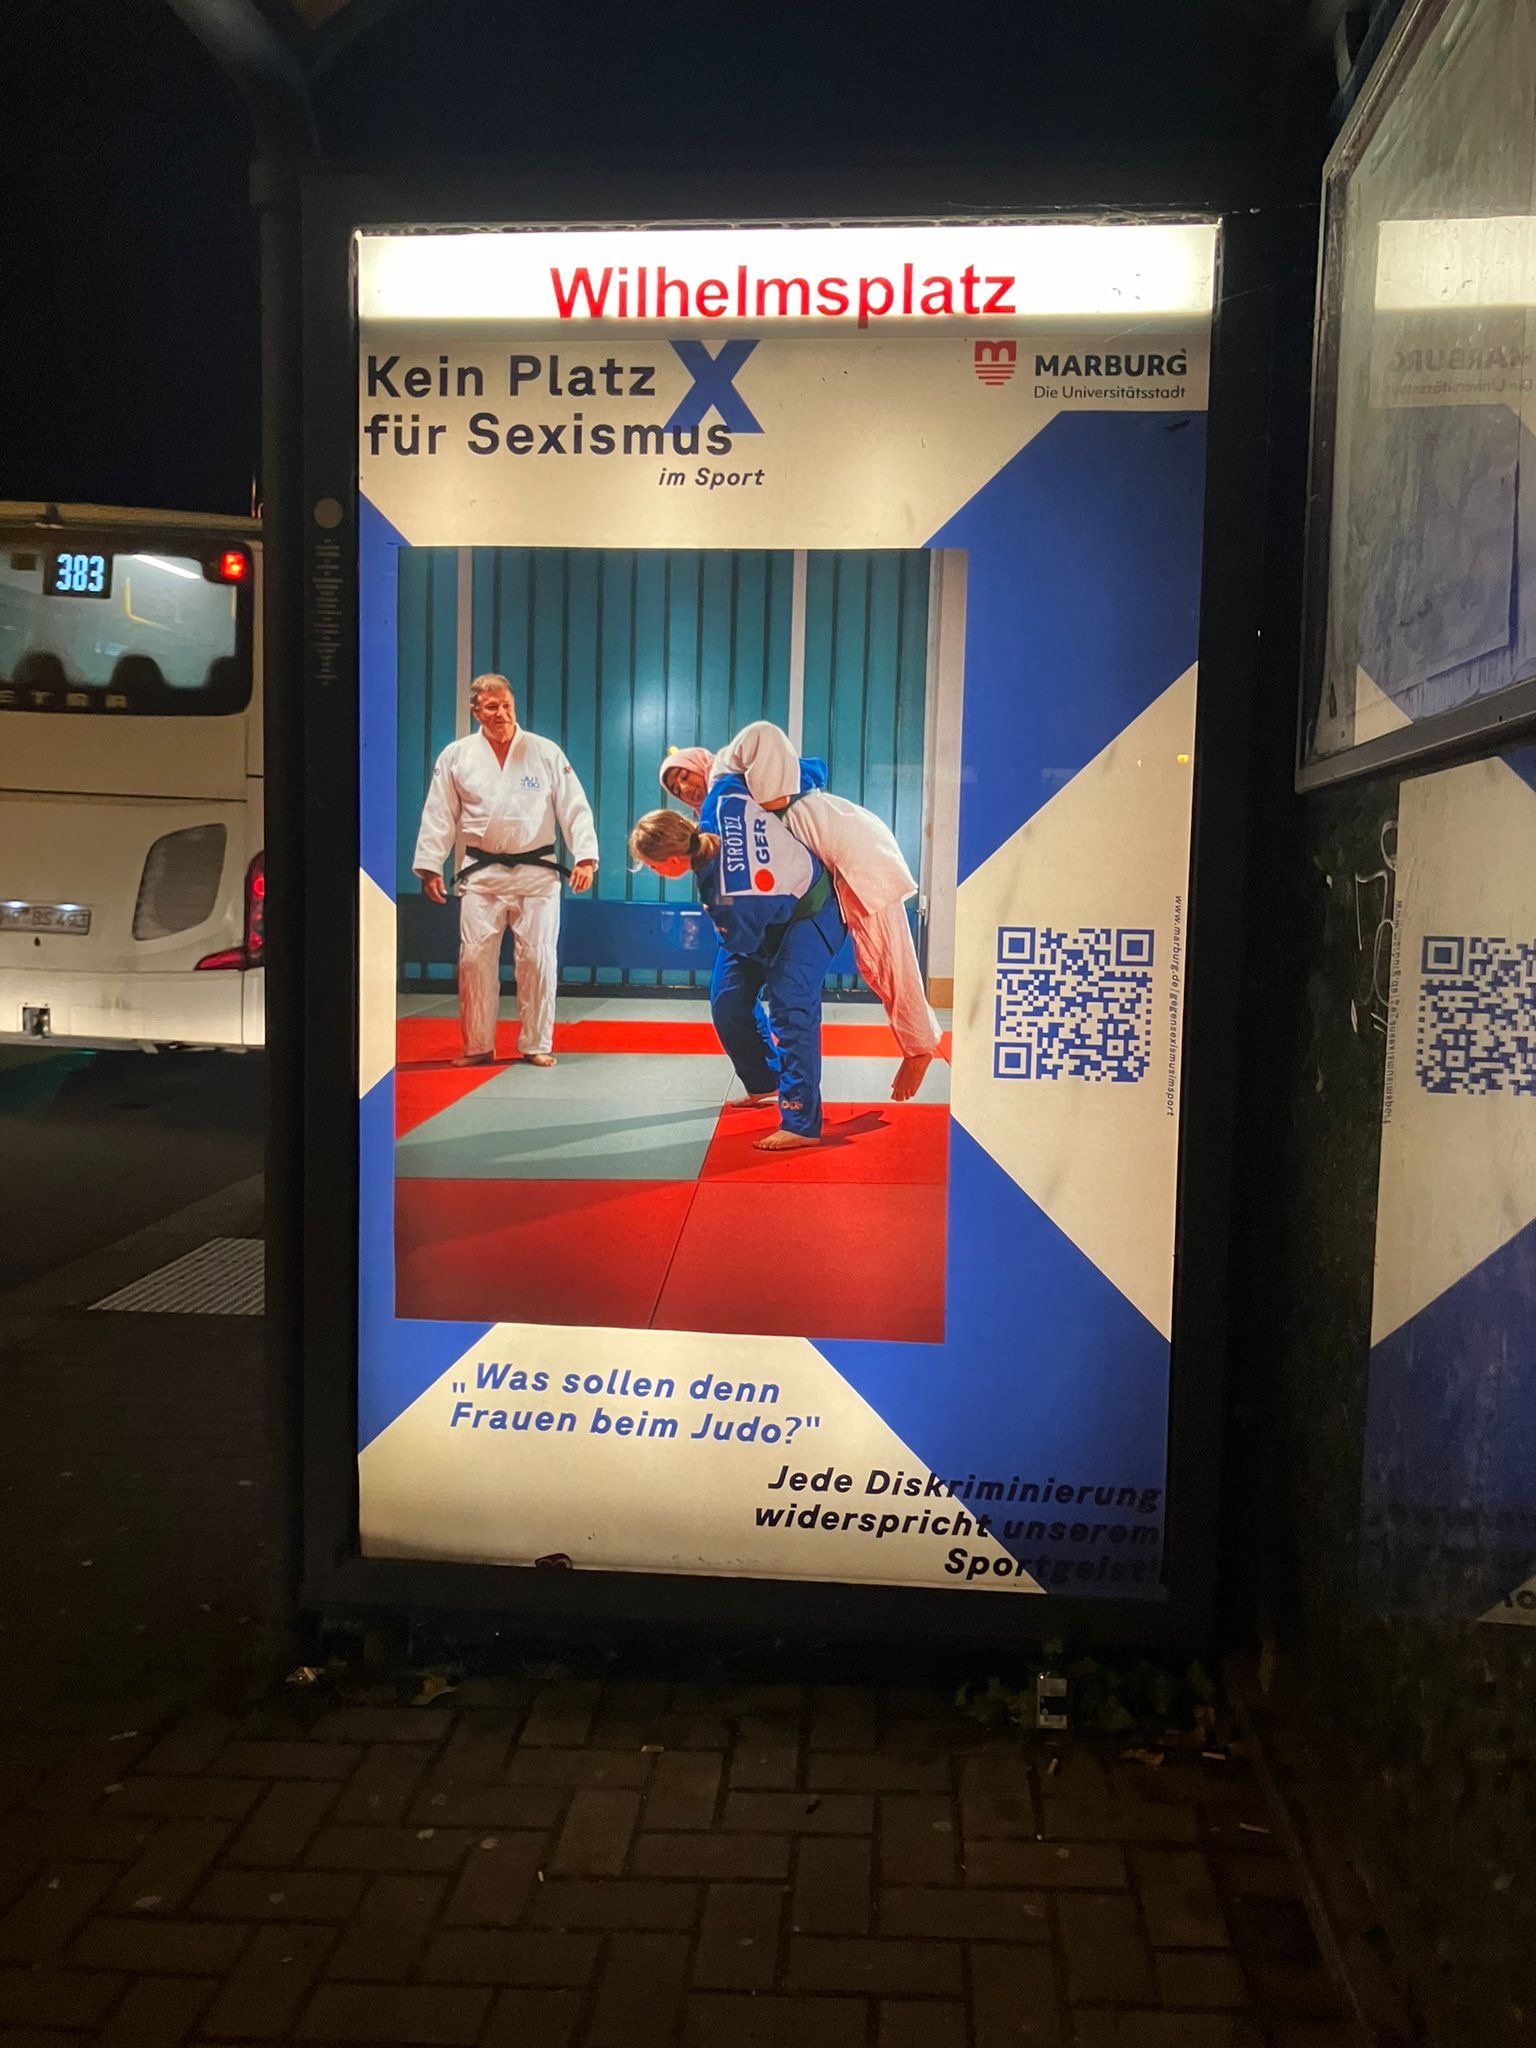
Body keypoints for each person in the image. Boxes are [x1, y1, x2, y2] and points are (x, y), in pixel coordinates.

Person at [659, 721, 942, 1100]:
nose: (683, 787)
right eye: (675, 788)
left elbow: (775, 744)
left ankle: (919, 1047)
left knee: (885, 958)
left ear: (701, 763)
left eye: (684, 775)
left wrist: (774, 795)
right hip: (804, 883)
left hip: (850, 848)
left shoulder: (727, 771)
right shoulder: (713, 816)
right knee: (730, 1001)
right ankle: (765, 1082)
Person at [629, 782, 846, 1152]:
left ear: (674, 862)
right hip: (765, 914)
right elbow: (795, 773)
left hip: (810, 913)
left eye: (653, 866)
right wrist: (809, 778)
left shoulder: (725, 896)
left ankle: (801, 1122)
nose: (653, 871)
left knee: (791, 1009)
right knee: (728, 1002)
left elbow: (743, 942)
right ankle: (763, 1080)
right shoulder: (720, 799)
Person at [413, 674, 597, 1068]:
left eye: (507, 705)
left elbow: (574, 806)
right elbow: (439, 812)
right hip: (481, 874)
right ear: (475, 711)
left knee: (538, 961)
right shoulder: (457, 755)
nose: (501, 713)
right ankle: (477, 1046)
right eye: (492, 707)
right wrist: (430, 865)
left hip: (538, 873)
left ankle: (536, 1043)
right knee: (474, 961)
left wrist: (585, 857)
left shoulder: (544, 751)